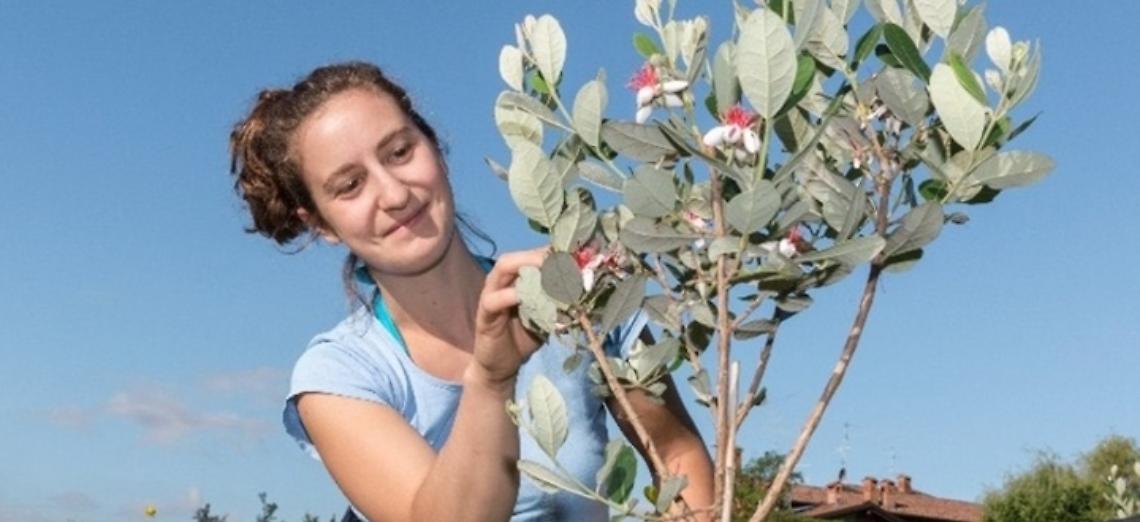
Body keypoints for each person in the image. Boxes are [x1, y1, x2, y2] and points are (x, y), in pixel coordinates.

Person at [228, 61, 714, 521]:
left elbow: (677, 454)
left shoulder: (576, 294)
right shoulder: (339, 375)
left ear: (435, 147)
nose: (395, 195)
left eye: (400, 152)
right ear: (320, 224)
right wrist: (491, 377)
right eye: (350, 185)